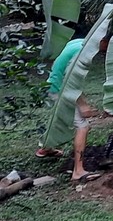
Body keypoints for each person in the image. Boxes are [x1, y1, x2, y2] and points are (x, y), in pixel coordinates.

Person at [35, 38, 101, 182]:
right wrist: (82, 104)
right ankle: (78, 171)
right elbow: (69, 79)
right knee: (83, 126)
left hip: (52, 84)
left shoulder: (80, 41)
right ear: (103, 41)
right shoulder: (82, 52)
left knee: (59, 117)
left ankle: (46, 148)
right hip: (59, 88)